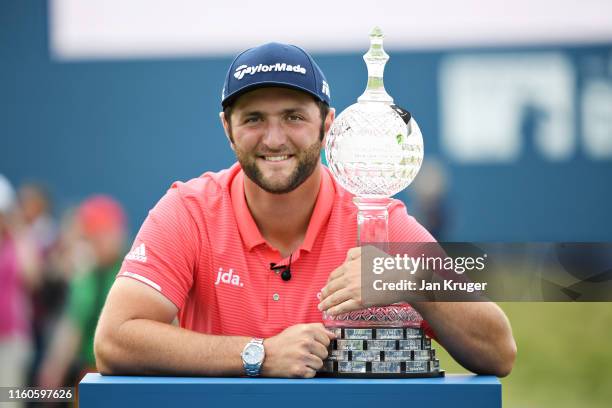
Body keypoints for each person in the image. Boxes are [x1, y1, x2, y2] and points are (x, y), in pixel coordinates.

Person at [95, 42, 516, 378]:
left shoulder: (377, 218)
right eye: (254, 119)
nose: (274, 139)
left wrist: (404, 276)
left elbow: (498, 352)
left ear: (327, 124)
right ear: (228, 129)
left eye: (294, 117)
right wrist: (257, 354)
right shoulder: (189, 211)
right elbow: (114, 341)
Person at [38, 195, 127, 388]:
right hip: (92, 373)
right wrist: (54, 370)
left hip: (127, 374)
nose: (96, 243)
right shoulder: (86, 277)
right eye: (91, 237)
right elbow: (72, 326)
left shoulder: (131, 271)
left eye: (102, 234)